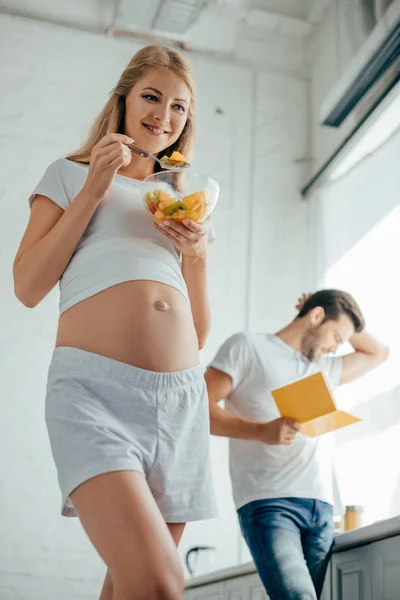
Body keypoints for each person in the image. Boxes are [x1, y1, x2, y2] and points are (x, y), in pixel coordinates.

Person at [13, 45, 217, 600]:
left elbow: (197, 335)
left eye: (180, 107)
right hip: (92, 393)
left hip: (179, 403)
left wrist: (196, 255)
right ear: (124, 100)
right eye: (152, 97)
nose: (164, 116)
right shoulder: (68, 175)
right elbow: (27, 287)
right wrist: (95, 187)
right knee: (160, 581)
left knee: (131, 588)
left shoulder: (183, 199)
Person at [205, 290, 389, 600]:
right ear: (316, 317)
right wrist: (261, 431)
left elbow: (378, 353)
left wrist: (344, 318)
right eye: (335, 336)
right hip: (270, 504)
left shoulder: (325, 368)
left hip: (322, 510)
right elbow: (197, 408)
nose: (336, 347)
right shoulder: (248, 347)